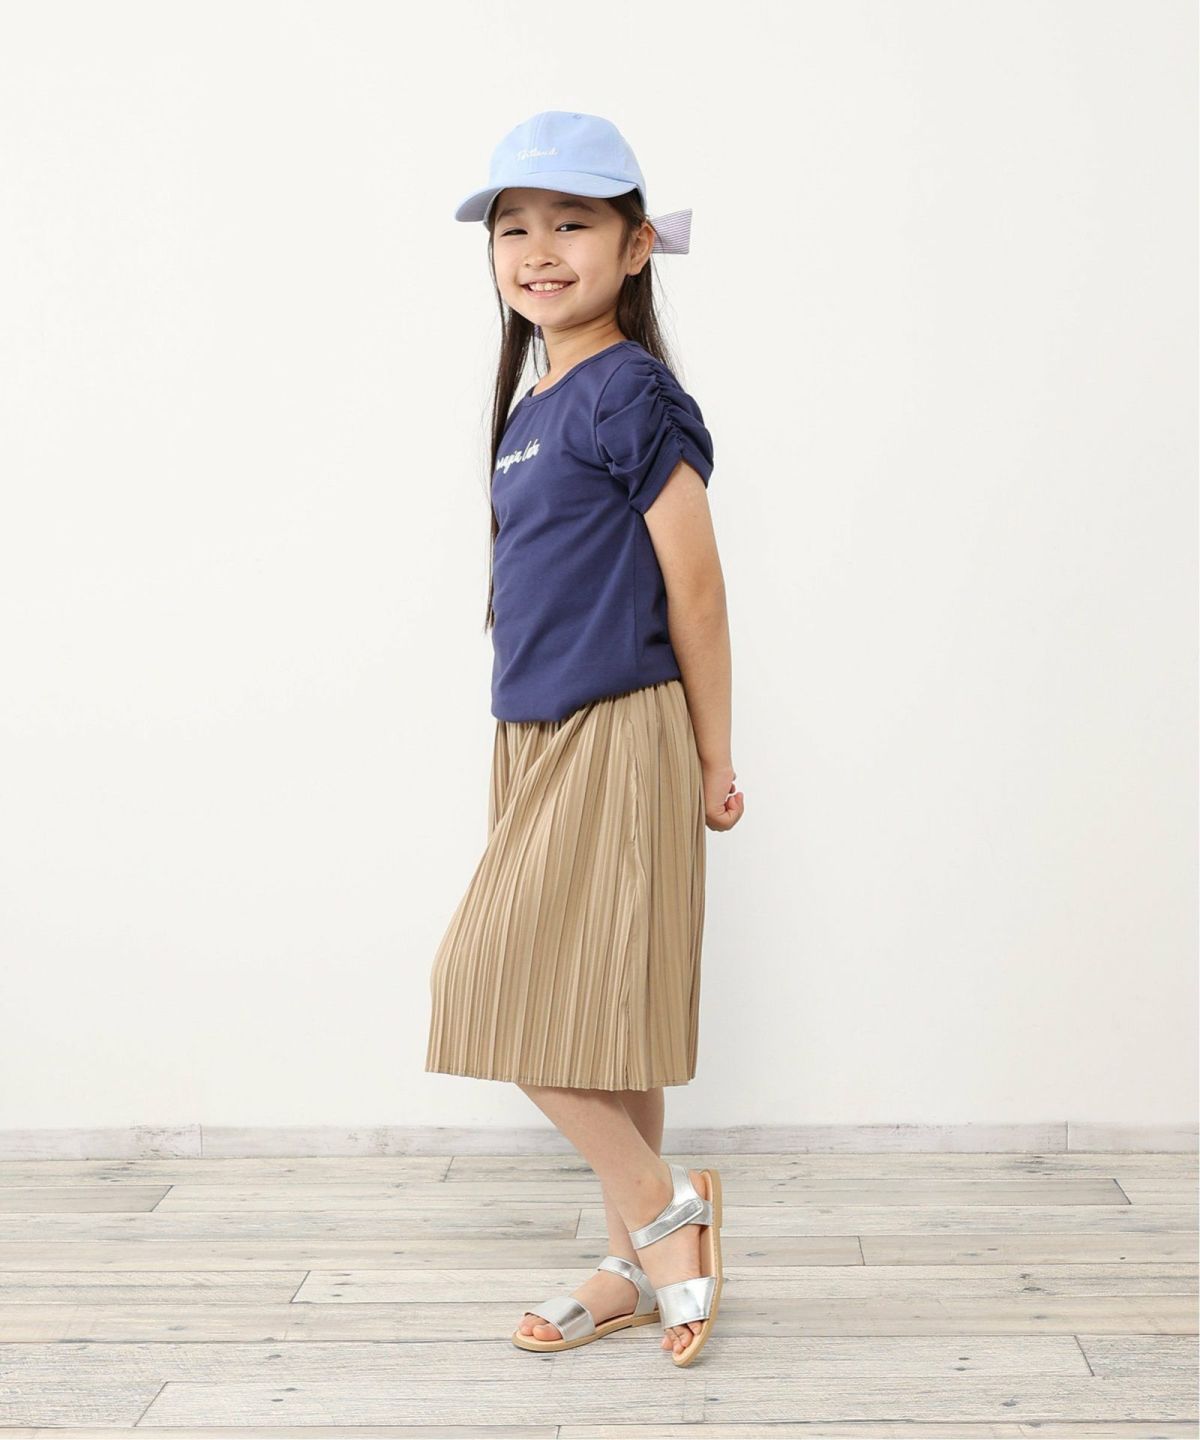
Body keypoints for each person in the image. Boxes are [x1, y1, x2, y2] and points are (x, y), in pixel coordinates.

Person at [425, 110, 745, 1367]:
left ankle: (666, 1212)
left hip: (618, 727)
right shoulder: (530, 405)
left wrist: (714, 755)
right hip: (534, 738)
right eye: (515, 228)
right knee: (606, 1015)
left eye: (572, 223)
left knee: (486, 987)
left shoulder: (629, 390)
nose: (539, 250)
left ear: (635, 245)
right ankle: (628, 1265)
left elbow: (697, 588)